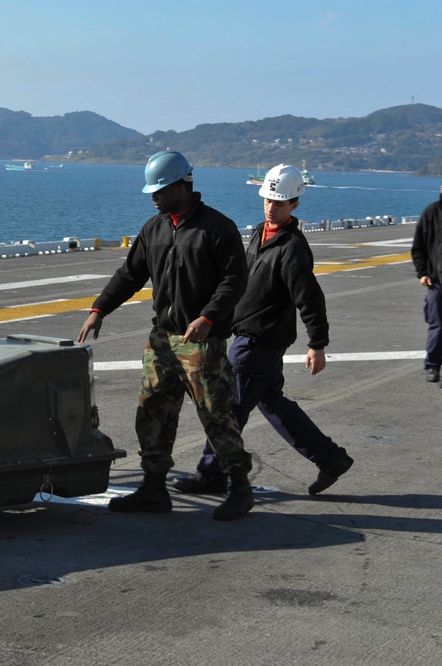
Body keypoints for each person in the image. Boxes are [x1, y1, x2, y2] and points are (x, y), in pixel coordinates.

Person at [77, 150, 254, 521]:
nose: (153, 197)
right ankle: (154, 488)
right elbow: (130, 274)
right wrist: (99, 308)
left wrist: (208, 317)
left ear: (181, 186)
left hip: (201, 342)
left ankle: (240, 487)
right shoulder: (153, 228)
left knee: (216, 415)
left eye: (159, 190)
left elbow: (235, 281)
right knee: (152, 412)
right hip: (162, 339)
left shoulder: (217, 228)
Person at [173, 164, 354, 497]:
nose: (272, 206)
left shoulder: (293, 248)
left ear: (295, 204)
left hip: (259, 342)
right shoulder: (259, 233)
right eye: (269, 199)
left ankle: (211, 474)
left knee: (227, 409)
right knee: (273, 403)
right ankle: (331, 459)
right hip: (247, 337)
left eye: (280, 202)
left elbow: (309, 298)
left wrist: (318, 344)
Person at [412, 179, 442, 385]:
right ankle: (432, 365)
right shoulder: (431, 213)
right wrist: (422, 272)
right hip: (436, 281)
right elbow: (418, 247)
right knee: (438, 326)